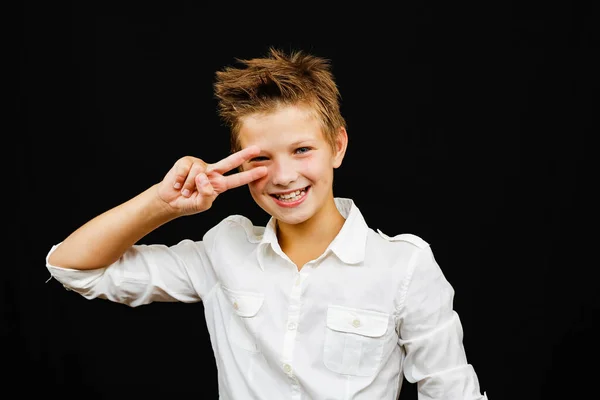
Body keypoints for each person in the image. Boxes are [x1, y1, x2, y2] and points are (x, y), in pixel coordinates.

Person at [45, 47, 489, 399]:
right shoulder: (223, 251)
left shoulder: (402, 266)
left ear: (337, 146)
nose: (282, 177)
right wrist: (165, 204)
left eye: (301, 150)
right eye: (260, 158)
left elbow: (451, 391)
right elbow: (72, 267)